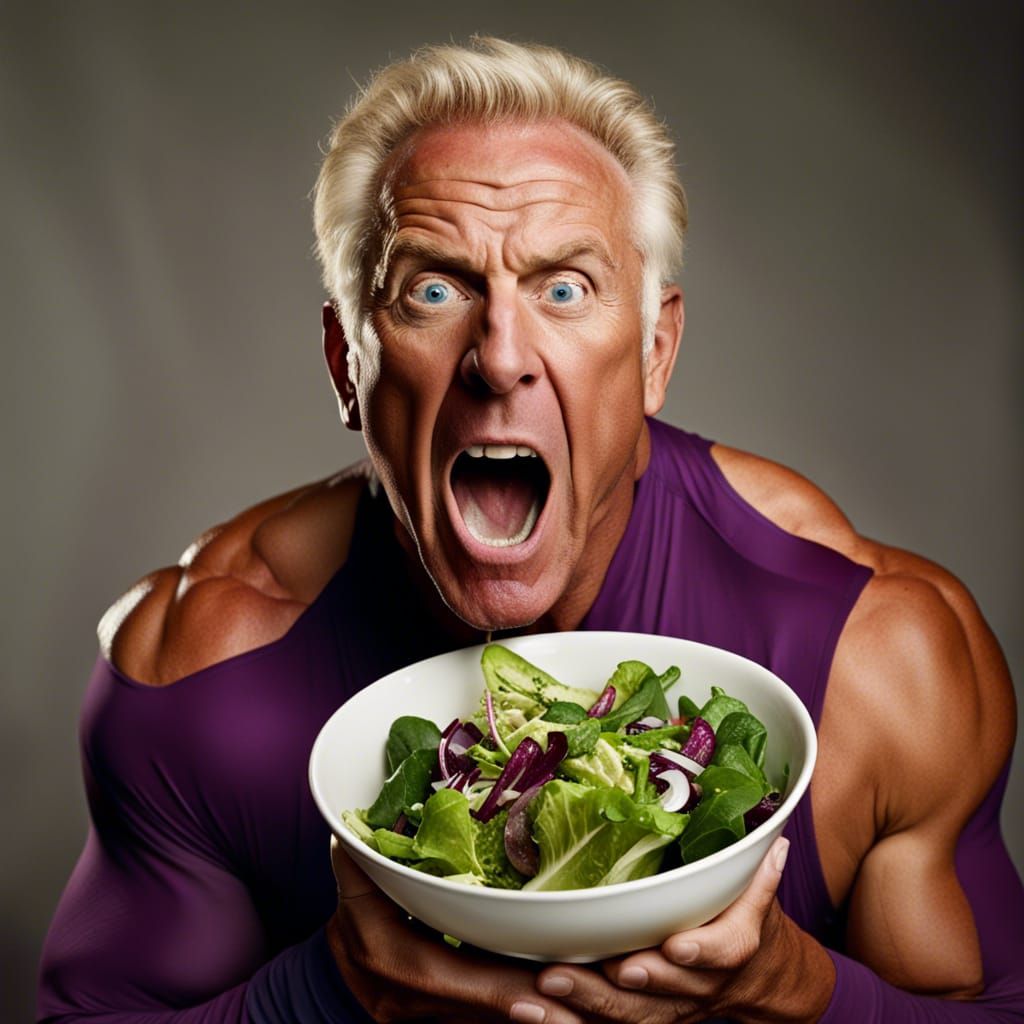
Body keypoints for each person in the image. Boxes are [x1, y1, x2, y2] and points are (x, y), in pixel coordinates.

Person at [38, 36, 1022, 1024]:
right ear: (348, 366)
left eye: (564, 288)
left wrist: (796, 991)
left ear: (654, 351)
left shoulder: (875, 658)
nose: (500, 357)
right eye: (434, 289)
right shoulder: (206, 671)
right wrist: (324, 993)